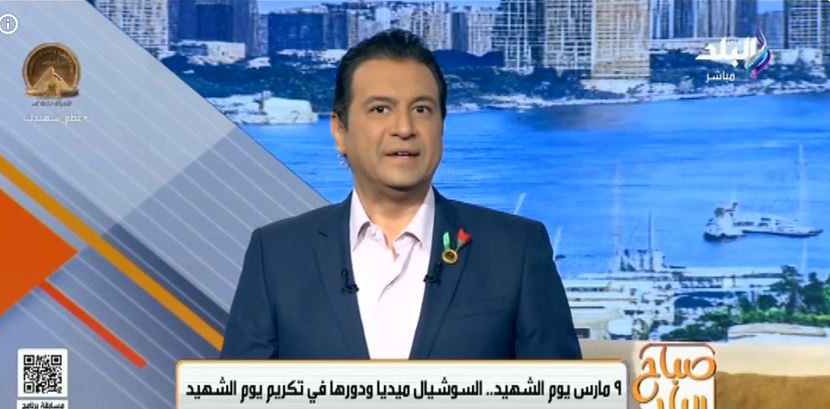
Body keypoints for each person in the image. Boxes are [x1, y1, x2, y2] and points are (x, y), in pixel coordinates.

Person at [221, 29, 581, 359]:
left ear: (441, 126)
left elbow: (562, 395)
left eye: (421, 110)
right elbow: (237, 395)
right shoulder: (277, 255)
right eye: (380, 109)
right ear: (340, 131)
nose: (404, 128)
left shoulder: (516, 250)